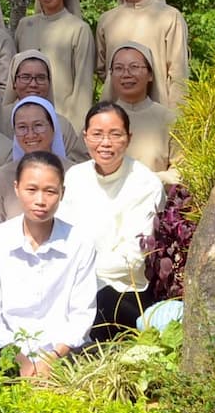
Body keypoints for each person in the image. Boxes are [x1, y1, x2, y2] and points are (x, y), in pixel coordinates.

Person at [0, 151, 98, 386]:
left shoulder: (80, 242)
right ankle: (29, 381)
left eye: (50, 191)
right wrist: (21, 360)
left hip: (60, 353)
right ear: (16, 188)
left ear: (62, 193)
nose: (40, 200)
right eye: (31, 190)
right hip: (8, 352)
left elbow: (81, 315)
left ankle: (24, 382)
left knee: (100, 352)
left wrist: (51, 358)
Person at [60, 102, 164, 342]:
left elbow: (134, 258)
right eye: (97, 134)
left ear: (128, 138)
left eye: (115, 134)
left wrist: (79, 271)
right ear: (85, 137)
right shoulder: (75, 177)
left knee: (100, 306)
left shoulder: (146, 183)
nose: (105, 143)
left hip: (122, 291)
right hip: (72, 285)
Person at [95, 0, 190, 108]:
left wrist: (176, 117)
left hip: (158, 113)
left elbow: (178, 74)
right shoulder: (107, 20)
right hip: (115, 113)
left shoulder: (169, 17)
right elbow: (102, 69)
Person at [14, 0, 96, 128]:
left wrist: (75, 128)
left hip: (63, 121)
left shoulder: (79, 29)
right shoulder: (24, 26)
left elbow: (83, 85)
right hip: (26, 122)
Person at [0, 96, 69, 221]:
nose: (30, 134)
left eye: (38, 125)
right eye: (22, 127)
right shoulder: (1, 179)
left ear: (53, 127)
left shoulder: (74, 174)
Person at [3, 50, 89, 163]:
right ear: (14, 81)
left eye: (40, 78)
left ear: (49, 82)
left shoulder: (63, 125)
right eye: (25, 77)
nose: (33, 84)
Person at [106, 42, 177, 174]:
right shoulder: (100, 118)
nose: (126, 74)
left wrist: (152, 181)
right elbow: (80, 162)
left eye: (134, 67)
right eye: (118, 68)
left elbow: (182, 169)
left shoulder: (169, 119)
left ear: (150, 74)